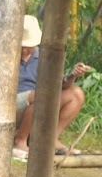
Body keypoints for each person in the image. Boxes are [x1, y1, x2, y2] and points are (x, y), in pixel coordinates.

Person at [13, 14, 90, 159]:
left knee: (76, 94)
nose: (24, 50)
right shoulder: (8, 55)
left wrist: (72, 74)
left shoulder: (43, 56)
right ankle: (20, 140)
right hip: (14, 102)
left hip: (40, 100)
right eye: (22, 46)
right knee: (41, 95)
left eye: (28, 46)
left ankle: (50, 139)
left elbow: (57, 84)